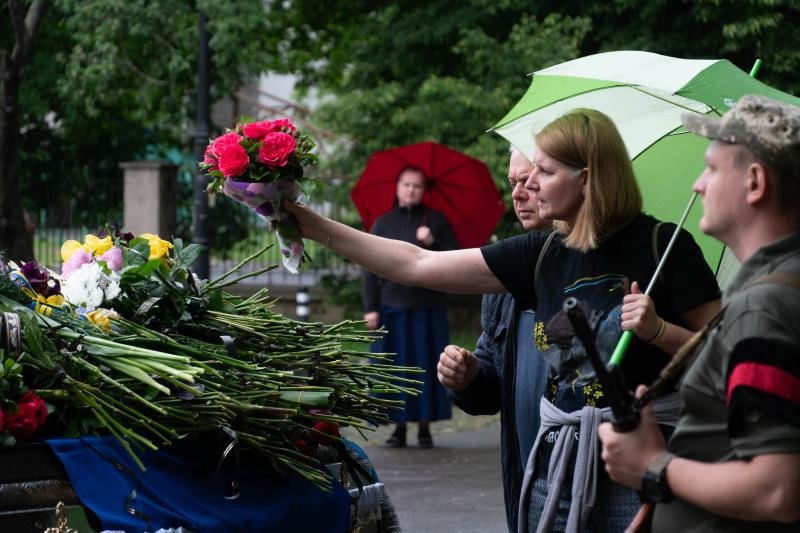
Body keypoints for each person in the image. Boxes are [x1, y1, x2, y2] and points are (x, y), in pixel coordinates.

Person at [284, 108, 721, 532]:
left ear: (585, 178)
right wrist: (310, 224)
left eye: (544, 172)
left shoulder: (666, 246)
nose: (529, 183)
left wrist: (659, 331)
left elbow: (726, 352)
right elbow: (416, 263)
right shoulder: (542, 253)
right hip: (556, 467)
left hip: (640, 465)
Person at [597, 94, 800, 532]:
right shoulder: (778, 285)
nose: (697, 185)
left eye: (710, 169)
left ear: (755, 183)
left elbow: (777, 490)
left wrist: (652, 465)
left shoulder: (762, 309)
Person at [437, 146, 552, 532]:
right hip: (525, 479)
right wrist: (469, 376)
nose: (518, 193)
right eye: (513, 182)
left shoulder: (601, 273)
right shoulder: (502, 277)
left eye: (530, 180)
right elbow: (492, 387)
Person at [363, 166, 459, 449]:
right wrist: (371, 308)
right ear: (398, 187)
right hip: (391, 308)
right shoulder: (382, 223)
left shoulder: (437, 222)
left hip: (428, 308)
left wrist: (434, 242)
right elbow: (369, 268)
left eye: (417, 186)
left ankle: (425, 427)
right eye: (406, 184)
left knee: (427, 366)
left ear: (424, 191)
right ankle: (399, 428)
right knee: (395, 370)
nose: (411, 190)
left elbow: (457, 258)